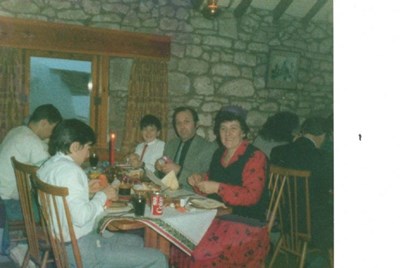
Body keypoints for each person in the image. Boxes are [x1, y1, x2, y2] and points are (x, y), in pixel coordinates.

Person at [37, 119, 168, 268]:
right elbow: (81, 218)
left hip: (63, 246)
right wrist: (103, 195)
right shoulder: (72, 171)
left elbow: (63, 197)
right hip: (82, 251)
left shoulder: (48, 165)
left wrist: (85, 188)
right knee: (158, 258)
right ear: (75, 146)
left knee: (136, 241)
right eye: (87, 148)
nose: (87, 155)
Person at [183, 106, 269, 267]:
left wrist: (217, 187)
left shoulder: (255, 156)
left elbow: (251, 196)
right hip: (219, 216)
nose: (227, 134)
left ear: (243, 132)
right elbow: (211, 180)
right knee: (180, 243)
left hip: (246, 223)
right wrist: (199, 180)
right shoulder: (219, 154)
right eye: (223, 129)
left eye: (233, 128)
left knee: (199, 253)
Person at [0, 104, 62, 255]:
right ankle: (41, 250)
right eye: (52, 130)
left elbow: (40, 148)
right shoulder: (30, 141)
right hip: (8, 205)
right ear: (44, 123)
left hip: (3, 198)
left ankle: (25, 246)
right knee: (53, 212)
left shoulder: (18, 131)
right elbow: (52, 168)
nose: (51, 135)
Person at [270, 117, 333, 261]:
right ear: (322, 135)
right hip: (313, 226)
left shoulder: (278, 151)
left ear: (302, 132)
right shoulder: (323, 157)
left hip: (286, 221)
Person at [155, 106, 217, 191]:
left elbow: (207, 180)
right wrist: (159, 167)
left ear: (196, 124)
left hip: (191, 198)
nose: (182, 126)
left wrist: (179, 171)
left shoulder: (208, 148)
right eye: (178, 123)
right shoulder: (170, 144)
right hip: (166, 193)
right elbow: (160, 175)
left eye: (186, 122)